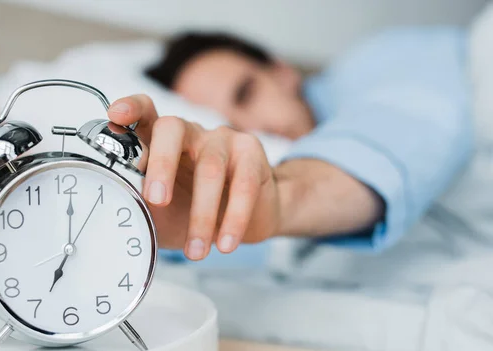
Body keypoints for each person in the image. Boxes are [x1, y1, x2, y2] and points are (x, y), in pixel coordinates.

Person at [103, 28, 473, 260]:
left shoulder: (380, 62)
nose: (253, 128)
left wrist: (281, 198)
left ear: (281, 72)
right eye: (228, 123)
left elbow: (408, 121)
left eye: (246, 94)